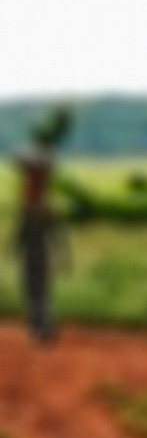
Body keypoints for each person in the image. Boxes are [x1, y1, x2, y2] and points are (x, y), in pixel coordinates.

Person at [13, 143, 58, 343]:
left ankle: (41, 327)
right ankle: (40, 325)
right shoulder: (39, 200)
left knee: (35, 288)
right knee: (37, 289)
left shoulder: (37, 201)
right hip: (38, 250)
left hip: (35, 250)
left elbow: (25, 231)